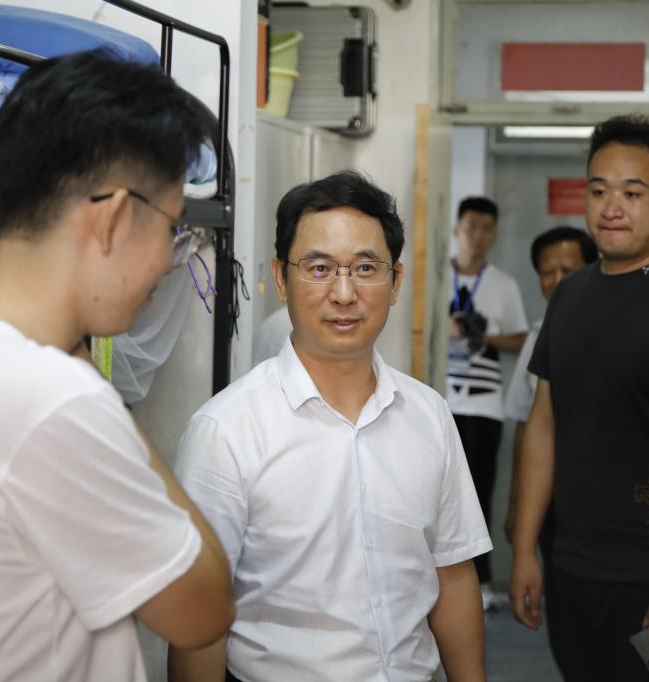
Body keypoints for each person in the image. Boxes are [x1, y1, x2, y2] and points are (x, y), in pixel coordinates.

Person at [0, 52, 234, 679]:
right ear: (112, 217)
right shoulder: (54, 397)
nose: (166, 261)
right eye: (171, 228)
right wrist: (94, 385)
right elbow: (206, 612)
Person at [169, 171, 491, 682]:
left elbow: (451, 574)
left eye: (365, 268)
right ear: (281, 278)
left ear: (396, 280)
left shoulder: (429, 415)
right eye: (319, 269)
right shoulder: (226, 431)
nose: (344, 293)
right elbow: (198, 613)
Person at [509, 115, 649, 681]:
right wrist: (525, 549)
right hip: (573, 563)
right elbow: (543, 425)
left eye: (633, 193)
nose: (612, 208)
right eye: (599, 191)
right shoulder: (570, 295)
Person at [502, 226, 598, 663]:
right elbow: (526, 426)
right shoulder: (539, 336)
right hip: (552, 501)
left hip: (609, 502)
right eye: (547, 272)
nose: (557, 281)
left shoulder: (617, 326)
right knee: (564, 611)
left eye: (568, 270)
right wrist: (517, 509)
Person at [447, 196, 528, 608]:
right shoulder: (436, 276)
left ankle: (479, 580)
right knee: (438, 491)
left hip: (484, 404)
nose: (476, 236)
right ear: (456, 229)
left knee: (479, 492)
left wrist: (484, 336)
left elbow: (520, 338)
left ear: (494, 234)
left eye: (485, 229)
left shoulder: (503, 285)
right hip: (442, 398)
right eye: (470, 227)